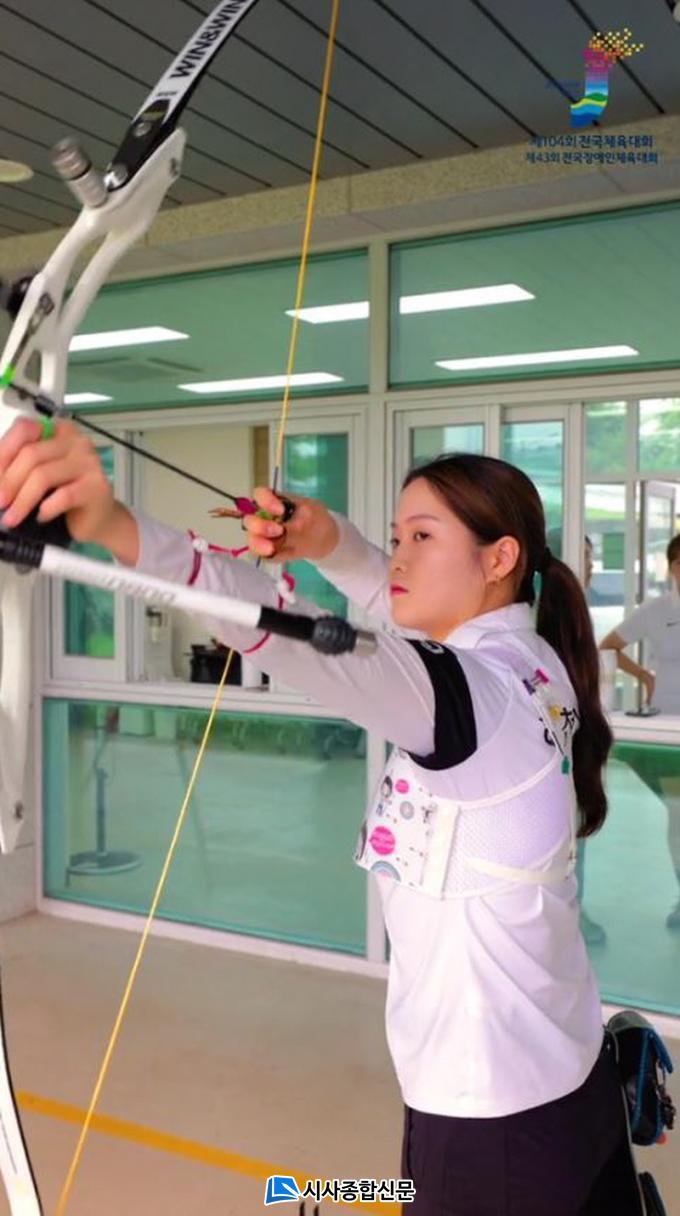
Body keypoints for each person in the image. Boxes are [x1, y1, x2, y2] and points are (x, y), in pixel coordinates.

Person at [0, 419, 645, 1215]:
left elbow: (288, 631)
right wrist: (329, 540)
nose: (399, 557)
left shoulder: (472, 693)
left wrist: (113, 527)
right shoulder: (532, 659)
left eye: (422, 536)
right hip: (569, 1077)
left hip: (492, 1121)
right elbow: (385, 594)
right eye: (397, 537)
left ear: (499, 557)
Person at [600, 533, 680, 930]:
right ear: (673, 568)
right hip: (667, 726)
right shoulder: (657, 610)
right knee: (679, 814)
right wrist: (644, 676)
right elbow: (609, 646)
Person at [546, 529, 607, 946]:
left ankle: (572, 911)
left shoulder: (578, 609)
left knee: (574, 829)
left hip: (577, 743)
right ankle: (565, 916)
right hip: (553, 745)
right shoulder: (548, 615)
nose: (590, 564)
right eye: (583, 555)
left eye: (590, 555)